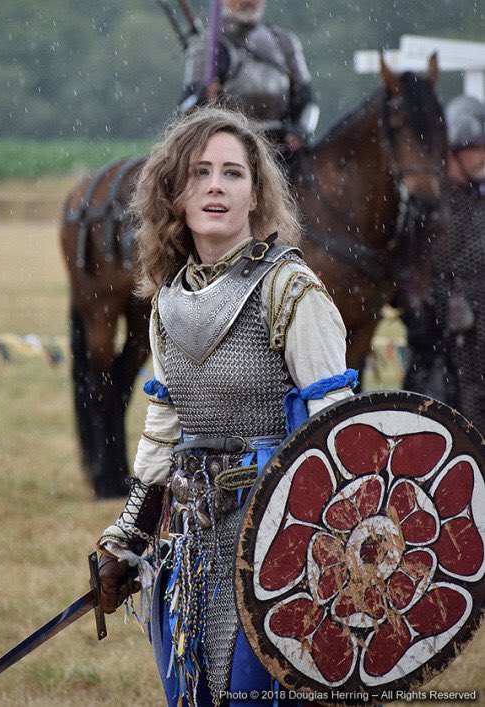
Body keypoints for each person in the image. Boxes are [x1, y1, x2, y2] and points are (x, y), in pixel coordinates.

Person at [95, 106, 356, 707]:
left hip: (279, 545)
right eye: (200, 172)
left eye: (233, 173)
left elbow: (336, 434)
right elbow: (163, 433)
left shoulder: (292, 289)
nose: (216, 185)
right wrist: (129, 534)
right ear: (174, 193)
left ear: (255, 195)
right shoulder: (167, 301)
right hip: (188, 543)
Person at [403, 94, 485, 434]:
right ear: (453, 152)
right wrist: (431, 308)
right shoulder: (430, 209)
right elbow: (411, 273)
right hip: (442, 345)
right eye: (474, 147)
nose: (482, 155)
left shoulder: (478, 199)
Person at [180, 0, 319, 160]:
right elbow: (186, 109)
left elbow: (306, 98)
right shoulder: (208, 44)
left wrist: (302, 130)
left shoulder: (284, 40)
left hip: (282, 149)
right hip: (228, 147)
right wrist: (204, 96)